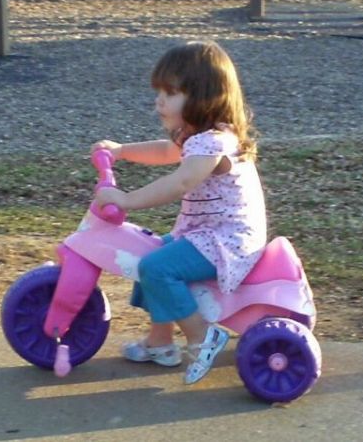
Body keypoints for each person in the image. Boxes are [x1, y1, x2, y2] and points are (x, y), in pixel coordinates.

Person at [92, 41, 267, 385]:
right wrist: (123, 151)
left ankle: (202, 335)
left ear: (203, 95)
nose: (160, 101)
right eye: (159, 91)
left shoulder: (215, 141)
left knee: (156, 267)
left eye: (170, 93)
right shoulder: (197, 136)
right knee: (150, 255)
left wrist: (125, 199)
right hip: (206, 231)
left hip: (227, 239)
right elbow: (166, 151)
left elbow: (181, 181)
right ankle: (160, 342)